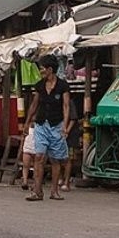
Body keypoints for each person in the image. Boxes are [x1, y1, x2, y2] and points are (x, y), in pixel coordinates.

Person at [24, 55, 71, 201]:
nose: (41, 72)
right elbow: (34, 104)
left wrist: (65, 125)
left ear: (50, 69)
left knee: (56, 159)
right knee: (39, 156)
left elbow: (66, 106)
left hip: (56, 125)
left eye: (42, 69)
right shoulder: (39, 85)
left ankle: (54, 190)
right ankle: (37, 190)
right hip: (41, 124)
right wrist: (27, 122)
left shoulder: (63, 86)